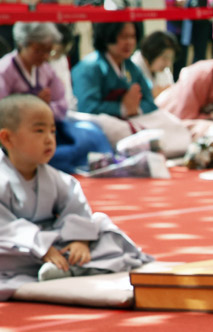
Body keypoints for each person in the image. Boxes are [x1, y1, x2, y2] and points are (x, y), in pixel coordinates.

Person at [0, 95, 153, 299]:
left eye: (52, 131)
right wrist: (41, 247)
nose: (49, 139)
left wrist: (80, 241)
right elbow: (6, 227)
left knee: (102, 225)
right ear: (7, 138)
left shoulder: (57, 178)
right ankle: (69, 267)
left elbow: (76, 209)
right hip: (18, 249)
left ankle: (69, 266)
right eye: (39, 130)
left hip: (57, 245)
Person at [0, 23, 112, 175]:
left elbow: (62, 104)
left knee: (93, 133)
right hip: (20, 132)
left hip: (51, 125)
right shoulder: (5, 69)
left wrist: (44, 108)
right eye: (38, 51)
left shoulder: (46, 69)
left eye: (48, 51)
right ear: (22, 44)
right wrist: (32, 105)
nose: (44, 56)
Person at [70, 22, 191, 158]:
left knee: (170, 122)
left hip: (131, 118)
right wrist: (122, 108)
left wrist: (135, 108)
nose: (129, 42)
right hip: (103, 122)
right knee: (114, 127)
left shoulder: (130, 66)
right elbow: (87, 108)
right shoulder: (89, 67)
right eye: (123, 37)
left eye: (132, 36)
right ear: (107, 36)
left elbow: (149, 103)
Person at [132, 30, 180, 99]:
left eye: (171, 59)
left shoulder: (164, 70)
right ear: (152, 52)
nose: (168, 64)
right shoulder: (134, 66)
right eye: (164, 58)